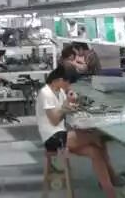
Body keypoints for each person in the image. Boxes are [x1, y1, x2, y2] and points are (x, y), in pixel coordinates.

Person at [36, 65, 119, 198]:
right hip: (52, 138)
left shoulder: (59, 91)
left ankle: (110, 191)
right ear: (60, 80)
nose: (69, 86)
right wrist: (65, 108)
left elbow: (63, 109)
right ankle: (114, 179)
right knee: (96, 137)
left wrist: (71, 102)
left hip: (62, 134)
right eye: (68, 83)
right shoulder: (46, 94)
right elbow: (54, 120)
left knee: (95, 151)